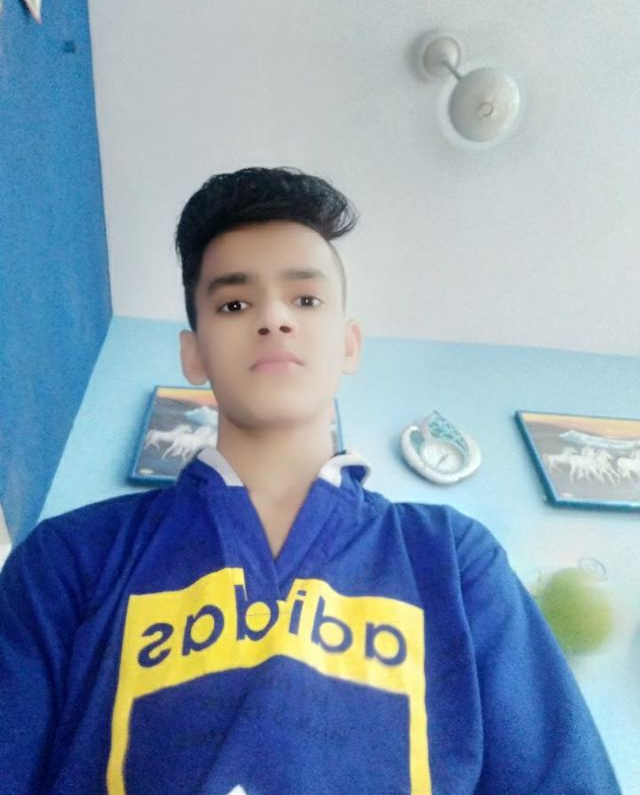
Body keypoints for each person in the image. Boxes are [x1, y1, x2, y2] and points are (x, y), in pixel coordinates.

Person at [0, 167, 621, 794]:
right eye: (234, 304)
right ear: (194, 353)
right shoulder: (67, 560)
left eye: (305, 300)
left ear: (349, 345)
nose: (274, 318)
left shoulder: (453, 559)